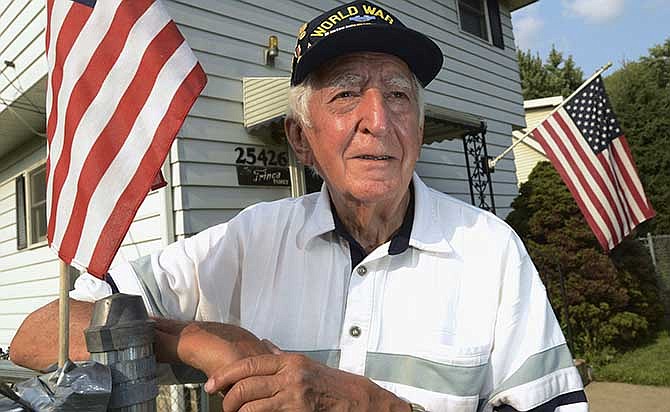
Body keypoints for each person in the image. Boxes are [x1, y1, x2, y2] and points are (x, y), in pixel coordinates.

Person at [11, 1, 588, 411]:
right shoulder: (247, 240)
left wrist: (378, 407)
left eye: (397, 94)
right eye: (345, 93)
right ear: (300, 138)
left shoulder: (489, 249)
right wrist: (195, 339)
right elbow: (39, 334)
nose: (378, 120)